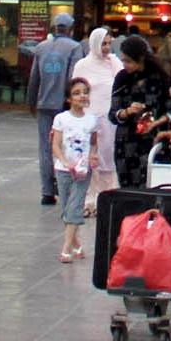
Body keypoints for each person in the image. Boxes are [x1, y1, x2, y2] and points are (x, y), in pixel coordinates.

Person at [26, 11, 84, 205]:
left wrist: (31, 101)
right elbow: (72, 78)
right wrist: (74, 102)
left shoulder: (41, 48)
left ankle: (47, 192)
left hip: (44, 103)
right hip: (63, 104)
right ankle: (64, 185)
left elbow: (34, 78)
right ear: (70, 29)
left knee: (45, 146)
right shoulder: (74, 47)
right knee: (65, 145)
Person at [108, 34, 171, 189]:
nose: (125, 65)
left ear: (141, 58)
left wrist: (155, 123)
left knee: (151, 186)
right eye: (123, 60)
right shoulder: (122, 78)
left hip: (152, 141)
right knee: (128, 189)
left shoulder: (159, 78)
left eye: (128, 61)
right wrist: (127, 111)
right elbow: (113, 114)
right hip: (126, 143)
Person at [52, 77, 101, 263]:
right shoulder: (61, 119)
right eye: (76, 93)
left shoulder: (92, 121)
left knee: (75, 206)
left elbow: (94, 143)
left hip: (83, 170)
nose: (82, 96)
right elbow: (55, 145)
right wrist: (65, 162)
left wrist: (93, 156)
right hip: (64, 170)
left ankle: (66, 249)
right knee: (66, 208)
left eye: (85, 92)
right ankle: (76, 243)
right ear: (68, 98)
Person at [72, 27, 121, 213]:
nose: (107, 48)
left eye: (109, 43)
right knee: (88, 158)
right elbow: (76, 90)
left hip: (109, 119)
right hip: (88, 118)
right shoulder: (82, 65)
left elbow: (121, 85)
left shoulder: (114, 63)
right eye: (103, 44)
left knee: (107, 158)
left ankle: (108, 198)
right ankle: (89, 200)